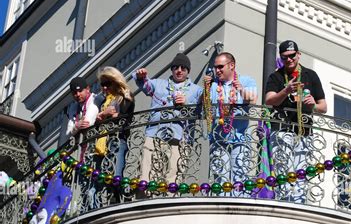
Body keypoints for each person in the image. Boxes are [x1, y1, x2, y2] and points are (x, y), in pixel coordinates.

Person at [265, 40, 327, 203]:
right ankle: (284, 203)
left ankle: (298, 204)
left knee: (301, 173)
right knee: (283, 171)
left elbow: (323, 107)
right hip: (281, 129)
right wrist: (286, 91)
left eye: (292, 56)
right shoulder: (276, 76)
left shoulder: (310, 75)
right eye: (285, 57)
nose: (289, 60)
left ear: (298, 55)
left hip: (304, 130)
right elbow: (269, 100)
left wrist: (313, 105)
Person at [132, 53, 202, 185]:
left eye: (183, 68)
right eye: (176, 67)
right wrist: (140, 75)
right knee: (146, 175)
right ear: (172, 69)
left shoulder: (196, 90)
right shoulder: (159, 84)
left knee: (174, 178)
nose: (179, 70)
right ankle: (145, 203)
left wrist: (187, 103)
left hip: (181, 138)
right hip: (154, 135)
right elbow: (145, 85)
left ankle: (170, 202)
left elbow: (204, 109)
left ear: (188, 71)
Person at [203, 52, 257, 194]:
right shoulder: (214, 85)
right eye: (215, 67)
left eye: (220, 66)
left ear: (231, 65)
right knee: (220, 178)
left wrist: (240, 89)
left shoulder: (246, 80)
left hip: (240, 138)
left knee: (240, 177)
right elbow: (203, 107)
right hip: (218, 138)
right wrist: (206, 89)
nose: (217, 70)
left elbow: (252, 99)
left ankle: (238, 207)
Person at [95, 66, 135, 177]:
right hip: (103, 143)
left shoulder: (125, 96)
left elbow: (125, 118)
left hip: (118, 140)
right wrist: (103, 115)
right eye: (102, 84)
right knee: (103, 178)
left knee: (116, 176)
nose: (105, 87)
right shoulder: (104, 102)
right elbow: (97, 127)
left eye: (107, 83)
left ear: (115, 81)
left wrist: (106, 115)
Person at [62, 76, 100, 145]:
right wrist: (76, 126)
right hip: (83, 146)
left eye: (80, 91)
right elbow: (68, 133)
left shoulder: (95, 99)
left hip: (96, 142)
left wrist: (75, 128)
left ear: (88, 89)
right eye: (74, 93)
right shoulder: (73, 108)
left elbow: (88, 123)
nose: (78, 95)